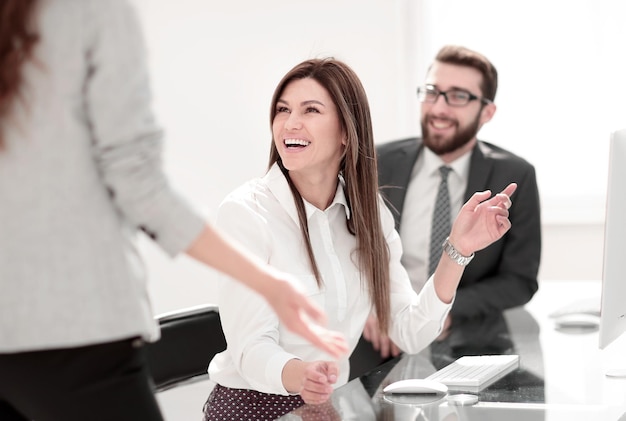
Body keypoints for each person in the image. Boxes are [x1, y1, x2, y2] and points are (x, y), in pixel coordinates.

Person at [0, 1, 348, 420]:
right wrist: (268, 283)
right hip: (77, 329)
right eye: (285, 109)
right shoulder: (90, 14)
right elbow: (138, 184)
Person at [202, 57, 517, 420]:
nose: (290, 123)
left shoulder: (369, 216)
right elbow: (250, 350)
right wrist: (302, 375)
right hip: (255, 409)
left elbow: (410, 332)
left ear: (346, 131)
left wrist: (458, 250)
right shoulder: (246, 213)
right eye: (283, 109)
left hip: (328, 403)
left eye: (311, 110)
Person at [365, 45, 541, 359]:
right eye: (432, 92)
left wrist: (439, 311)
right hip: (381, 337)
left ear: (487, 112)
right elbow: (348, 253)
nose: (439, 108)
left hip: (467, 339)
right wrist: (368, 307)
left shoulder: (515, 175)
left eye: (458, 96)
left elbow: (519, 281)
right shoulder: (376, 162)